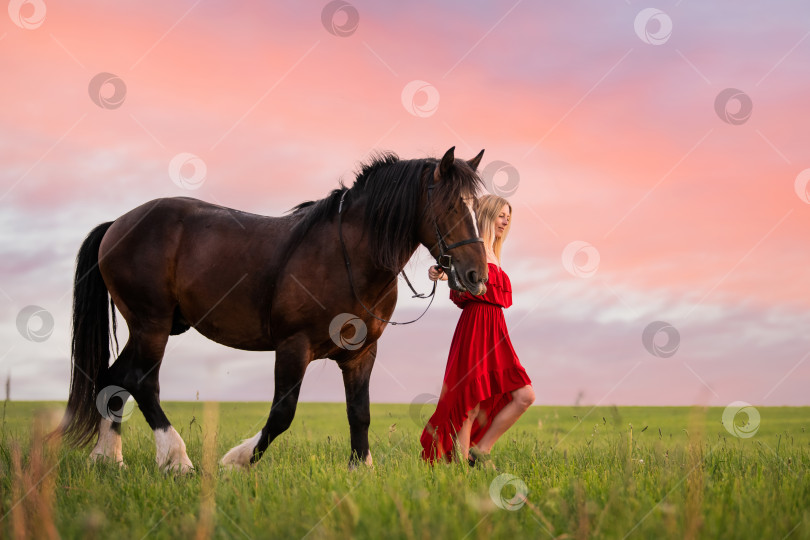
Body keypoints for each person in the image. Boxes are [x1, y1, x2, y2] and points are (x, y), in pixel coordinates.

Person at [420, 194, 535, 467]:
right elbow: (448, 271)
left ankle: (481, 450)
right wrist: (440, 273)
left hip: (497, 332)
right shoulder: (475, 251)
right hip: (474, 329)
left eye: (508, 216)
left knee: (524, 395)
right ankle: (461, 470)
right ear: (486, 215)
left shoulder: (495, 253)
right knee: (469, 404)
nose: (505, 221)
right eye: (500, 215)